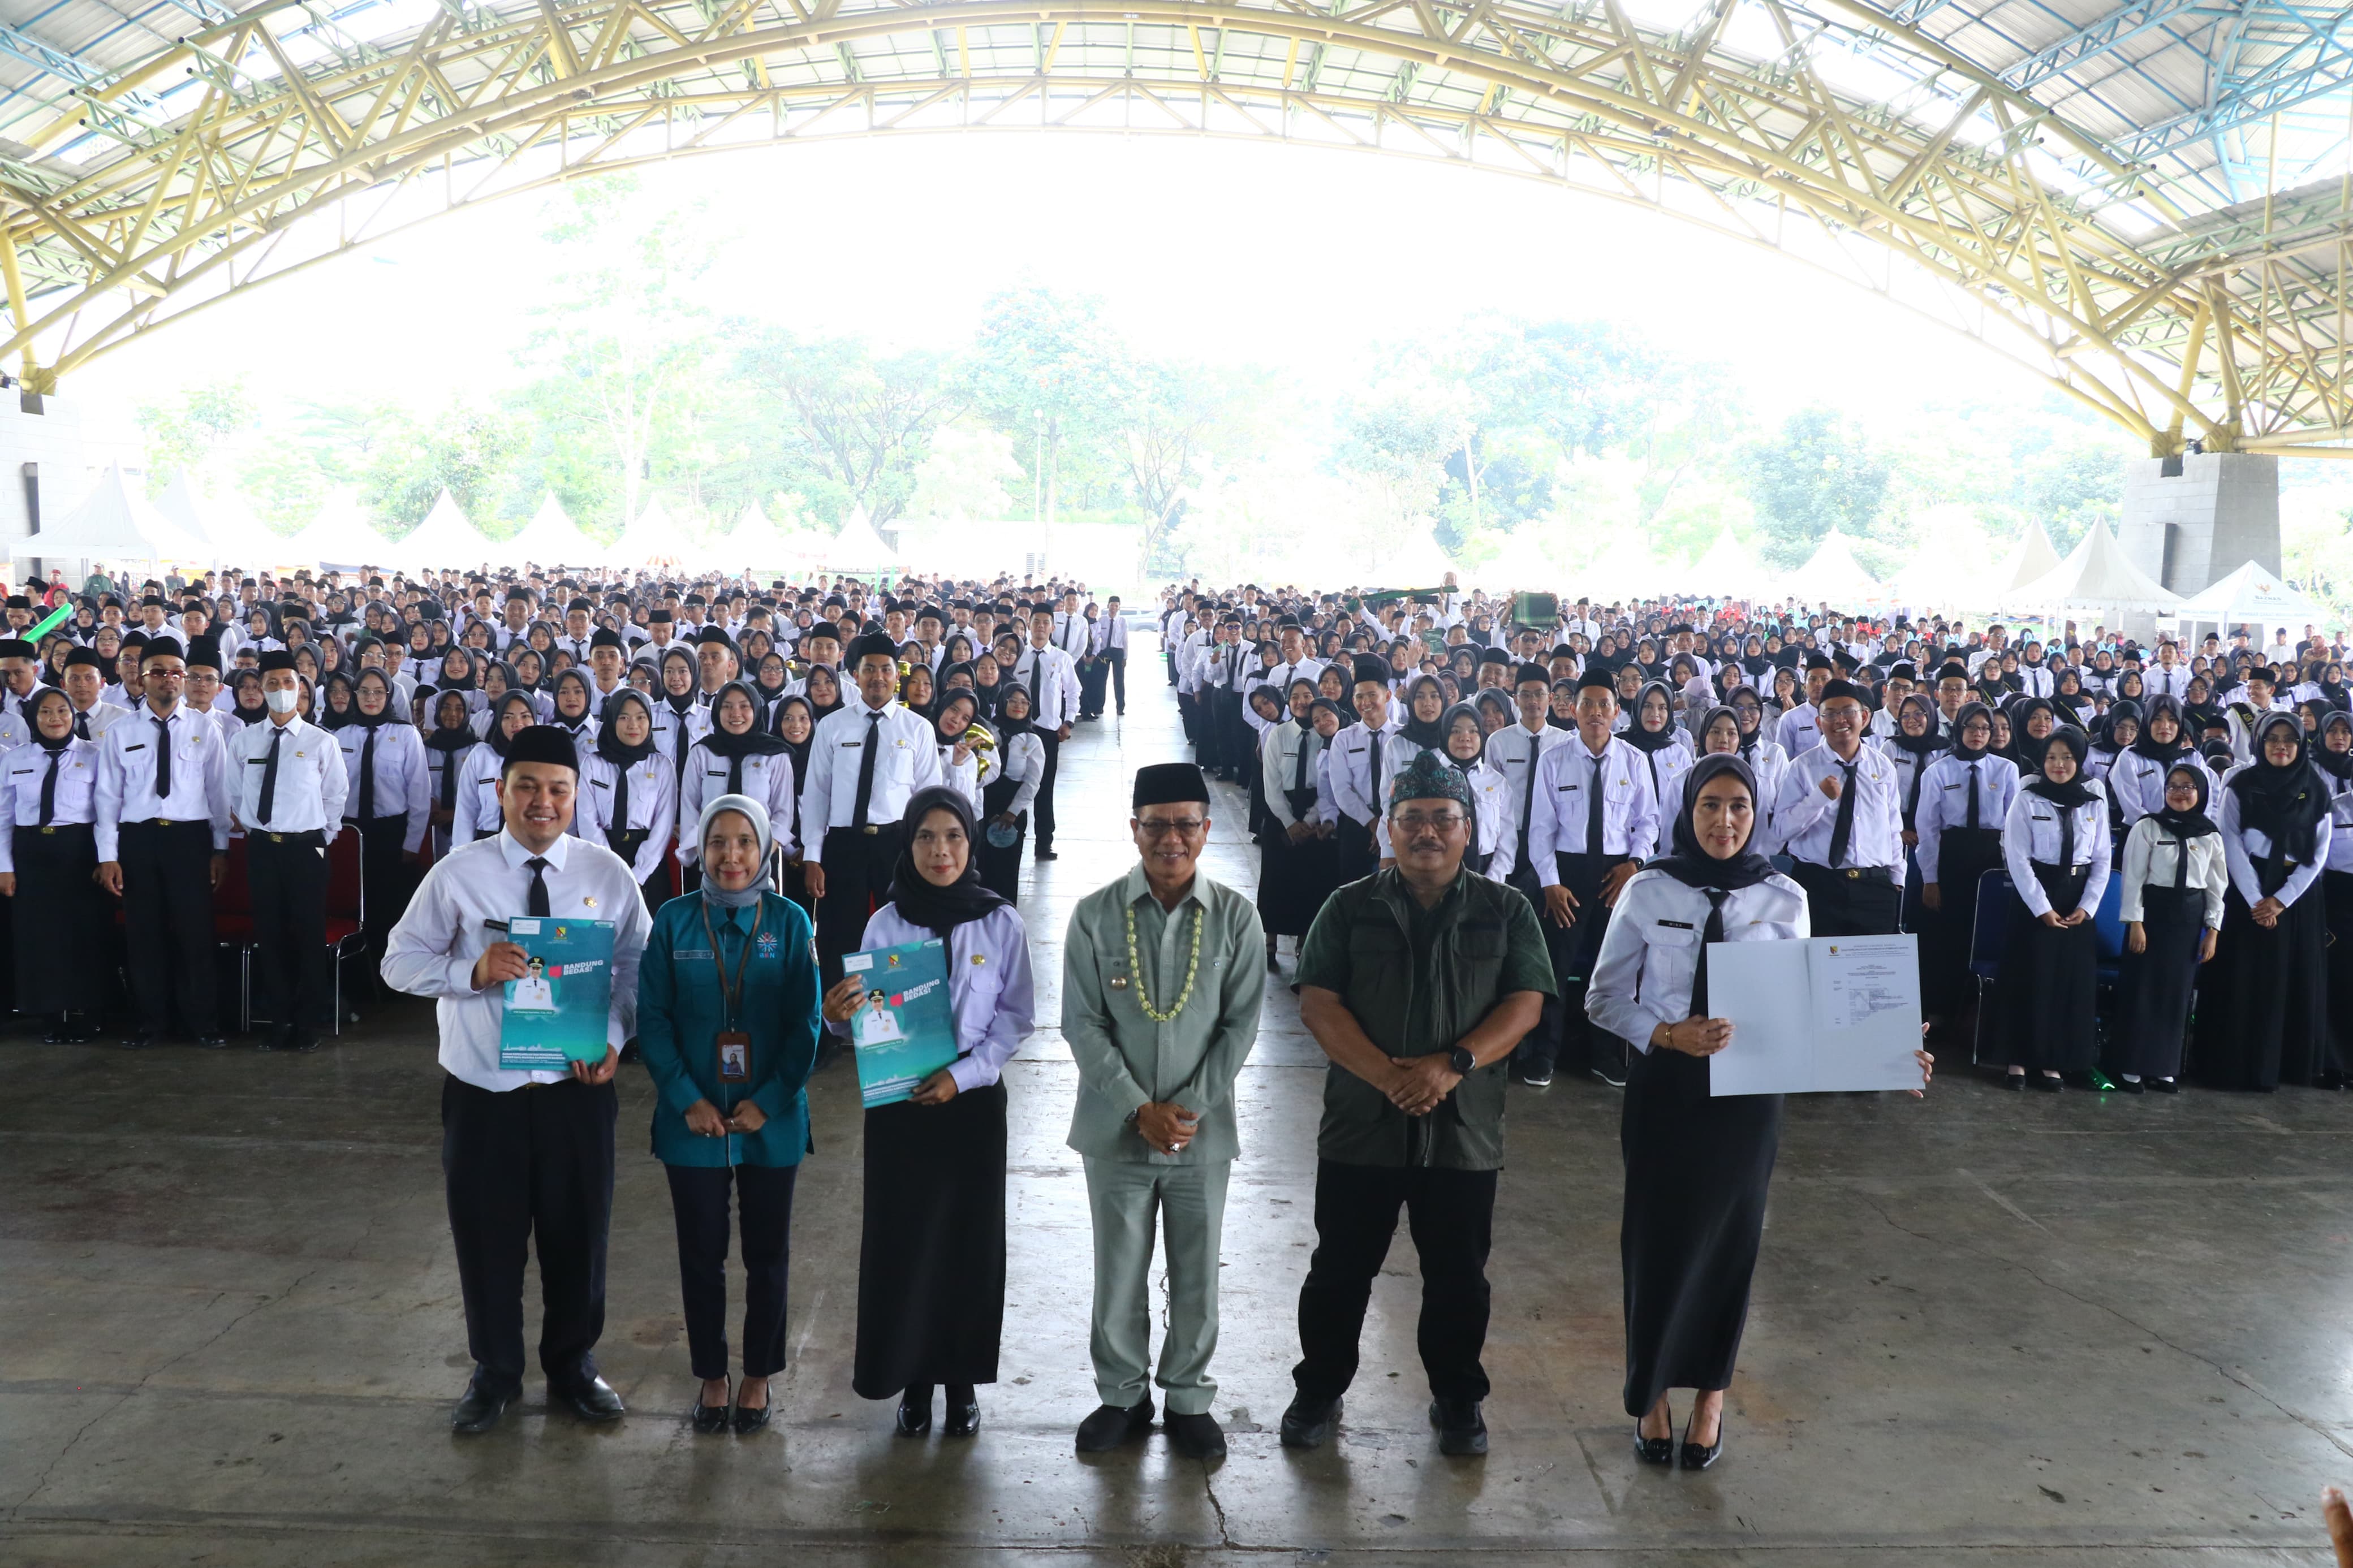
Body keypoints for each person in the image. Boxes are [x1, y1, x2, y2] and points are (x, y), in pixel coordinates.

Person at [1587, 753, 1930, 1470]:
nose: (1724, 820)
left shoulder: (1784, 896)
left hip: (1747, 1098)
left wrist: (1889, 1050)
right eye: (1709, 805)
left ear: (1755, 813)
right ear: (1688, 810)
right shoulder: (1648, 889)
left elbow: (1811, 1008)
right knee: (1653, 1239)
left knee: (1730, 1243)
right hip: (1666, 1089)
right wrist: (1664, 1032)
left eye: (1738, 806)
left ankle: (1711, 1395)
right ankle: (1650, 1393)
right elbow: (1601, 997)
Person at [381, 725, 653, 1434]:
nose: (542, 801)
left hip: (577, 1090)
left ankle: (573, 1366)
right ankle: (494, 1372)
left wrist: (616, 1039)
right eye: (526, 786)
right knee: (485, 1237)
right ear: (499, 791)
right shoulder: (458, 873)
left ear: (575, 796)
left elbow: (634, 969)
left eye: (557, 789)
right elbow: (397, 961)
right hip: (483, 1094)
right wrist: (469, 973)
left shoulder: (606, 875)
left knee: (579, 1234)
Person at [1282, 750, 1551, 1458]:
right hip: (1360, 1127)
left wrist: (1451, 1065)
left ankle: (1457, 1398)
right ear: (1386, 830)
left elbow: (1525, 1003)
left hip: (1463, 1130)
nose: (1427, 833)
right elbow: (1318, 1003)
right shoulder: (1347, 906)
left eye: (1442, 819)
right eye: (1411, 820)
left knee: (1458, 1276)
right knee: (1340, 1267)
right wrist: (1387, 1076)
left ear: (1469, 829)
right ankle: (1319, 1389)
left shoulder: (1506, 907)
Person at [1061, 762, 1265, 1459]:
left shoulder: (1237, 916)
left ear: (1207, 830)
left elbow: (1240, 1026)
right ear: (1134, 830)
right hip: (1114, 1133)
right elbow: (1081, 1024)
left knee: (1196, 1268)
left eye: (1185, 824)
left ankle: (1187, 1396)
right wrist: (1136, 1108)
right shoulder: (1094, 914)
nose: (1170, 839)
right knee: (1117, 1268)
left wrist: (1186, 1109)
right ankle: (1121, 1396)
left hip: (1201, 1137)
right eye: (1156, 825)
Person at [819, 785, 1035, 1439]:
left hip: (969, 1107)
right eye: (924, 838)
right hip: (900, 1108)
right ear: (906, 845)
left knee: (968, 1246)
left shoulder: (1000, 921)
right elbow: (866, 1023)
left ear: (971, 843)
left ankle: (960, 1382)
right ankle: (911, 1381)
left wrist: (964, 1075)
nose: (939, 851)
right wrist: (836, 1018)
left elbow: (1016, 1019)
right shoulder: (886, 922)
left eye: (952, 837)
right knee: (903, 1242)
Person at [636, 793, 821, 1436]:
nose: (731, 856)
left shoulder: (792, 922)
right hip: (691, 1123)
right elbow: (652, 1020)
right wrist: (686, 1097)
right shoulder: (673, 920)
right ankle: (712, 1374)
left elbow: (806, 1025)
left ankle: (757, 1375)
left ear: (766, 847)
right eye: (718, 842)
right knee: (700, 1254)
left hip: (771, 1122)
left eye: (745, 841)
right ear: (699, 849)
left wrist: (767, 1100)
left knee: (768, 1254)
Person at [1523, 670, 1661, 1088]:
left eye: (1605, 705)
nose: (1597, 713)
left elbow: (1649, 822)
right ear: (1572, 710)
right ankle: (1543, 1052)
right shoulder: (1554, 759)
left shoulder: (1635, 761)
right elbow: (1541, 829)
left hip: (1618, 875)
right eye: (1588, 704)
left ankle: (1605, 1055)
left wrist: (1634, 864)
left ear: (1617, 712)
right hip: (1567, 876)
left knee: (1613, 969)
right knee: (1556, 967)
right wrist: (1549, 881)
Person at [94, 636, 232, 1049]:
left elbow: (219, 793)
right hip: (139, 840)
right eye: (160, 671)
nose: (170, 679)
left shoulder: (206, 728)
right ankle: (152, 1023)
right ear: (141, 676)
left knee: (195, 934)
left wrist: (220, 849)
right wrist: (108, 856)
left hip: (190, 841)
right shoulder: (121, 731)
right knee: (144, 936)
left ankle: (201, 1023)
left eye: (177, 672)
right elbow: (107, 798)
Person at [2196, 711, 2334, 1090]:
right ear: (2259, 741)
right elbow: (2230, 840)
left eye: (2289, 739)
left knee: (2288, 981)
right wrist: (2258, 899)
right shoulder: (2240, 782)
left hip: (2296, 896)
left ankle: (2283, 1067)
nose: (2281, 746)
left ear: (2301, 744)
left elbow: (2318, 853)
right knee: (2245, 980)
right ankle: (2236, 1066)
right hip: (2246, 894)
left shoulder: (2316, 786)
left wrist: (2282, 900)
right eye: (2272, 738)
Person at [803, 632, 944, 987]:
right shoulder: (833, 726)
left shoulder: (918, 729)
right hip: (843, 844)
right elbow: (817, 793)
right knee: (840, 934)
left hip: (896, 845)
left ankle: (902, 1023)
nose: (878, 677)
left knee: (902, 932)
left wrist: (924, 854)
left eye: (886, 669)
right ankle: (840, 1026)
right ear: (855, 674)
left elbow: (929, 800)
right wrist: (813, 856)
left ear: (898, 675)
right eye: (869, 669)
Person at [232, 650, 349, 1053]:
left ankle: (307, 1020)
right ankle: (278, 1019)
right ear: (259, 689)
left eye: (288, 682)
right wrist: (259, 831)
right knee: (270, 933)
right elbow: (235, 792)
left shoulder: (322, 741)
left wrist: (322, 839)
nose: (281, 690)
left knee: (308, 934)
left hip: (306, 849)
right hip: (264, 848)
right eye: (272, 683)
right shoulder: (245, 739)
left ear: (300, 688)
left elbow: (335, 796)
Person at [1988, 726, 2110, 1090]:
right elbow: (2018, 857)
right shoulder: (2027, 797)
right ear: (2042, 760)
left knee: (2067, 984)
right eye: (2052, 757)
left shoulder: (2094, 800)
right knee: (2030, 979)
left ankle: (2054, 1061)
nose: (2060, 764)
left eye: (2068, 757)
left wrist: (2088, 906)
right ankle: (2019, 1060)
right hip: (2035, 896)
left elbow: (2103, 859)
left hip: (2078, 896)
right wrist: (2041, 907)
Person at [0, 686, 106, 1040]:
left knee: (84, 934)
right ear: (34, 718)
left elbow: (108, 813)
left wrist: (105, 858)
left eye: (62, 710)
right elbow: (3, 817)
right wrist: (5, 866)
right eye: (46, 712)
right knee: (39, 938)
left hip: (79, 853)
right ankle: (50, 1016)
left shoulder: (95, 755)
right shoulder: (15, 758)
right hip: (31, 854)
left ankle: (89, 1012)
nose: (55, 718)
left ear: (73, 715)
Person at [2110, 763, 2224, 1092]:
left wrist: (2213, 930)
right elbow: (2132, 878)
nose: (2180, 792)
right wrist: (2135, 922)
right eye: (2173, 786)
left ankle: (2164, 1068)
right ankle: (2131, 1066)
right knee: (2142, 990)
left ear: (2200, 793)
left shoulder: (2210, 834)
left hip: (2189, 917)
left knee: (2176, 993)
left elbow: (2217, 886)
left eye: (2188, 787)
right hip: (2152, 914)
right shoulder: (2148, 827)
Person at [1911, 703, 2019, 1026]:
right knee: (1947, 939)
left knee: (1986, 935)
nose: (1978, 734)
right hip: (1951, 859)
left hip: (1991, 859)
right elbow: (1927, 828)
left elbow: (2014, 826)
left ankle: (1979, 1018)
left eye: (1985, 728)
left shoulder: (2006, 769)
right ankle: (1942, 1015)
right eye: (1971, 727)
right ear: (1959, 729)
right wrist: (1930, 879)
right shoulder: (1938, 771)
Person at [1774, 679, 1905, 937]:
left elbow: (1892, 827)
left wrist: (1897, 880)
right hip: (1819, 885)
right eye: (1830, 714)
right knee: (1820, 971)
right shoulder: (1802, 768)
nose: (1840, 720)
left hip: (1874, 888)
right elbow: (1780, 831)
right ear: (1818, 723)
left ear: (1865, 717)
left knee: (1874, 973)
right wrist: (1818, 799)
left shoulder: (1882, 766)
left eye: (1848, 711)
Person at [337, 667, 430, 984]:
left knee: (388, 909)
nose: (371, 698)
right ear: (355, 695)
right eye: (364, 691)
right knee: (354, 907)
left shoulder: (406, 734)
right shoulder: (340, 735)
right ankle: (356, 980)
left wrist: (411, 844)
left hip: (391, 835)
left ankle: (389, 981)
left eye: (379, 692)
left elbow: (420, 794)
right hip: (349, 835)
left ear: (389, 696)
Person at [582, 688, 676, 913]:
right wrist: (609, 866)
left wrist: (638, 875)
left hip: (647, 864)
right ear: (612, 721)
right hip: (602, 860)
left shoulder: (662, 765)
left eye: (641, 717)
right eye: (624, 717)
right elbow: (586, 820)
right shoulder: (593, 764)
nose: (633, 725)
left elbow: (663, 826)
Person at [1012, 608, 1079, 861]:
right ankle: (1012, 836)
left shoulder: (1061, 658)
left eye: (1045, 623)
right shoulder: (1019, 656)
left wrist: (1069, 722)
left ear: (1052, 628)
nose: (1040, 627)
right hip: (1018, 730)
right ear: (1029, 626)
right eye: (1036, 622)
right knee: (1015, 784)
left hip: (1048, 733)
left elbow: (1073, 692)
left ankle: (1044, 842)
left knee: (1044, 787)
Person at [975, 683, 1044, 904]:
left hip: (1012, 807)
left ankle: (1005, 917)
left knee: (1006, 869)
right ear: (1003, 702)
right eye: (1013, 700)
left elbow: (1033, 782)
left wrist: (1011, 813)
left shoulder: (1032, 740)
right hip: (984, 802)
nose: (1018, 706)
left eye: (1024, 702)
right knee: (981, 865)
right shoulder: (988, 731)